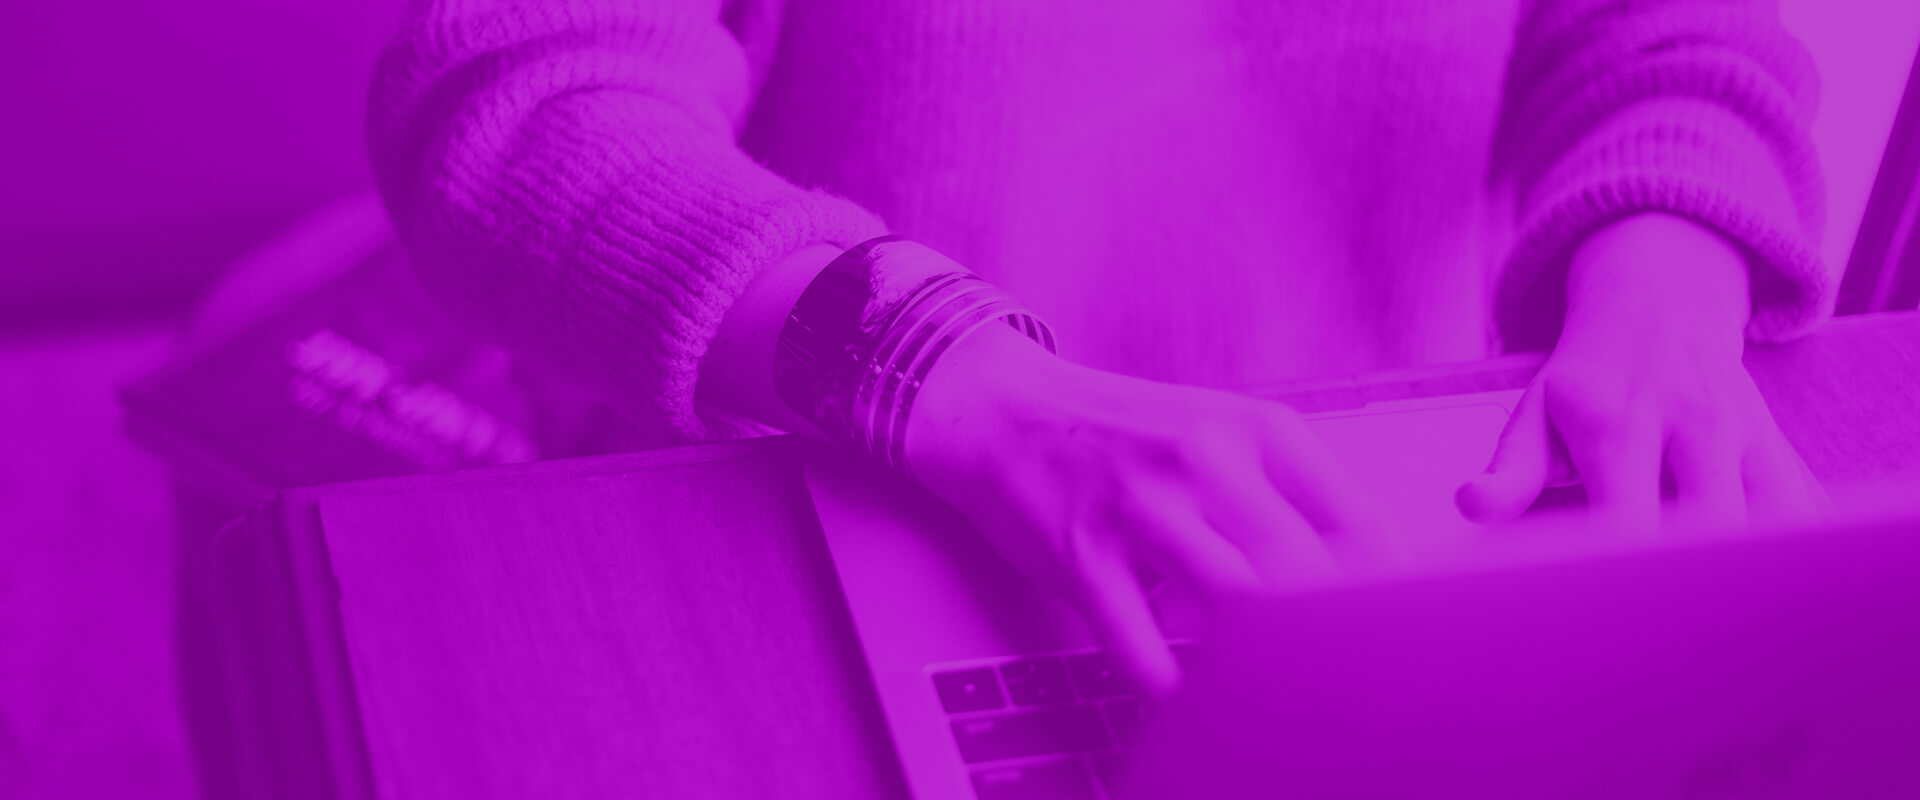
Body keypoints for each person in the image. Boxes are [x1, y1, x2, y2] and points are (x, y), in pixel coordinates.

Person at [367, 0, 1835, 694]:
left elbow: (1670, 33)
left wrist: (1667, 268)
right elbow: (519, 102)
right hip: (831, 531)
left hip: (1378, 537)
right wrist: (940, 368)